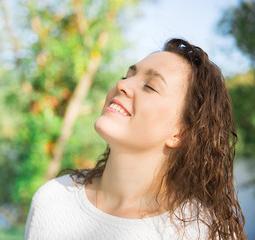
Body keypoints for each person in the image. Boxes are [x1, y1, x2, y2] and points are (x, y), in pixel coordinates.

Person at [25, 38, 246, 240]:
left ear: (180, 134)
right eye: (127, 76)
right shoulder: (52, 199)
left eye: (150, 86)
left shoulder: (203, 232)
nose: (122, 85)